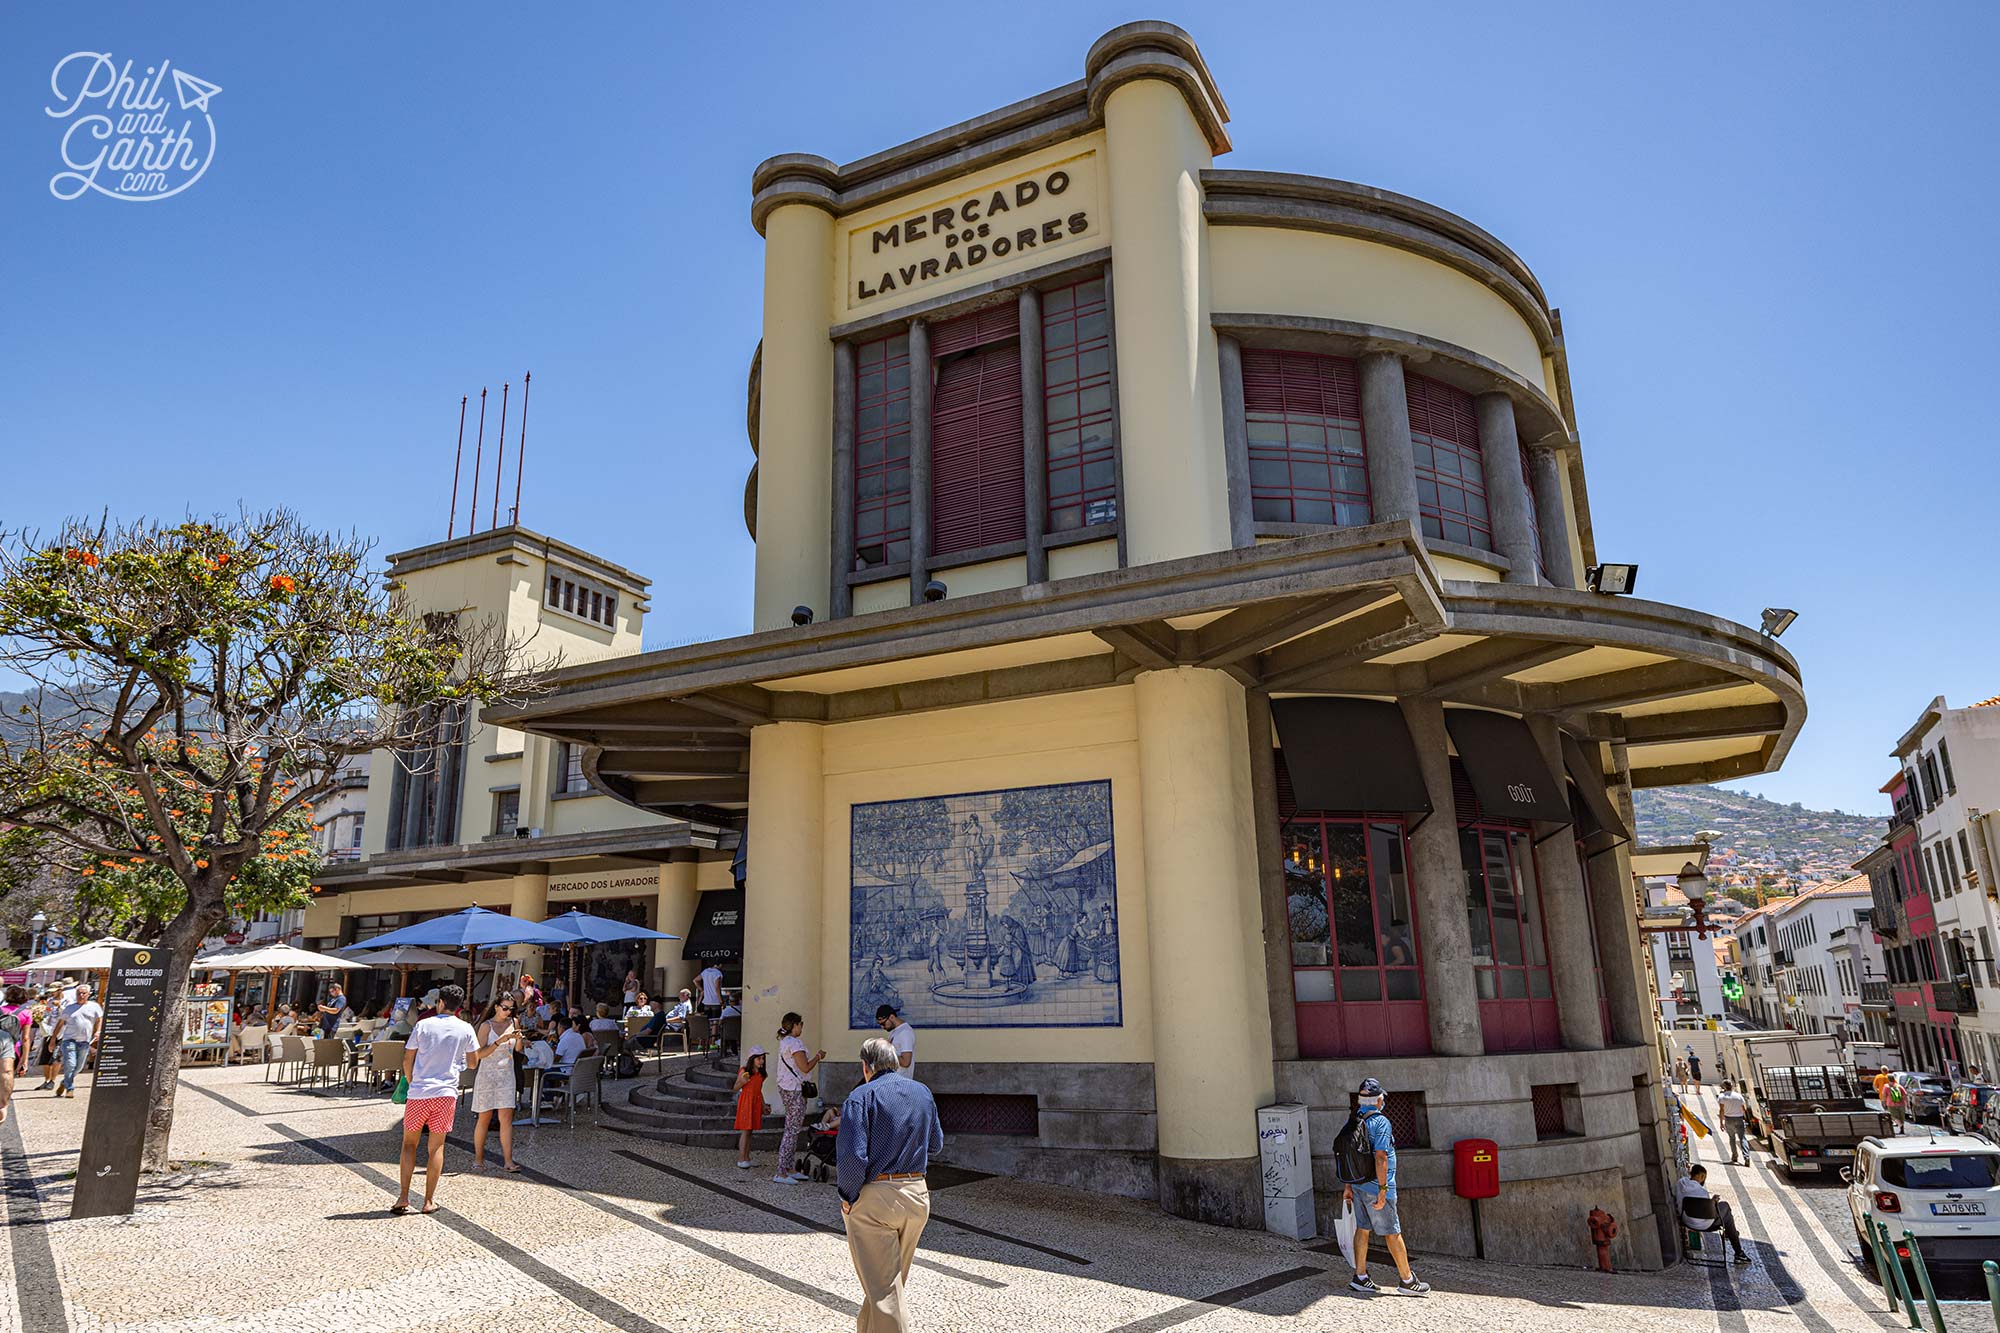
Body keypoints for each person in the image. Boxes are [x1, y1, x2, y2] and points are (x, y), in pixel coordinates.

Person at [838, 1035, 944, 1333]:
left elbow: (852, 1156)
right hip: (917, 1195)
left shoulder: (861, 1097)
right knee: (888, 1283)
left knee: (884, 1290)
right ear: (895, 1063)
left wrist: (848, 1195)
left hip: (877, 1199)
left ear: (866, 1066)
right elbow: (935, 1144)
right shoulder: (922, 1092)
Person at [393, 984, 480, 1215]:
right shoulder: (466, 1028)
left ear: (440, 1002)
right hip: (445, 1094)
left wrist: (413, 1083)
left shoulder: (423, 1025)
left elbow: (407, 1059)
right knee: (436, 1147)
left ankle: (403, 1196)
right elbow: (473, 1063)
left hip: (420, 1092)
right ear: (458, 1007)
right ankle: (429, 1201)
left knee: (409, 1144)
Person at [1344, 1078, 1429, 1296]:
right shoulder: (1381, 1122)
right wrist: (1382, 1190)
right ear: (1378, 1099)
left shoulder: (1354, 1119)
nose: (1383, 1100)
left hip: (1358, 1184)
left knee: (1362, 1229)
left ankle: (1360, 1277)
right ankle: (1407, 1280)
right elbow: (1381, 1157)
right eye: (1382, 1097)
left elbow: (1346, 1155)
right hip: (1376, 1187)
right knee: (1392, 1232)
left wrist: (1348, 1186)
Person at [469, 995, 525, 1173]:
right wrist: (499, 1041)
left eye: (511, 1008)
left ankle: (508, 1161)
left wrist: (520, 1038)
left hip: (507, 1075)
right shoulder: (486, 1026)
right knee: (484, 1118)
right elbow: (479, 1054)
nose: (508, 1012)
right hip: (487, 1075)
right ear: (496, 1007)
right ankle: (478, 1159)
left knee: (506, 1118)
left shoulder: (514, 1022)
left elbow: (517, 1049)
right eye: (505, 1008)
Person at [774, 1012, 827, 1185]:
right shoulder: (794, 1043)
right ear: (795, 1025)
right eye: (801, 1024)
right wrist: (818, 1057)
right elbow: (804, 1067)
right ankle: (781, 1172)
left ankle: (789, 1167)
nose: (802, 1027)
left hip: (786, 1087)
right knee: (791, 1130)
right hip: (794, 1089)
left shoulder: (784, 1042)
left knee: (793, 1128)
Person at [1676, 1165, 1751, 1263]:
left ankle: (1732, 1237)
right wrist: (1713, 1202)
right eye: (1704, 1178)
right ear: (1701, 1176)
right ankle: (1738, 1251)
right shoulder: (1702, 1191)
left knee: (1727, 1217)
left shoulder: (1681, 1183)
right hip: (1704, 1224)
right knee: (1726, 1209)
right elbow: (1707, 1213)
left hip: (1686, 1220)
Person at [54, 983, 103, 1099]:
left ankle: (64, 1082)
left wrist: (98, 1031)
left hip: (85, 1041)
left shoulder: (94, 1006)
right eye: (79, 993)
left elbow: (99, 1019)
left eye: (84, 993)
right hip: (69, 1040)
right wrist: (53, 1039)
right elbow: (60, 1023)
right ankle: (70, 1088)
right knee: (70, 1064)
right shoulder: (69, 1008)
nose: (81, 995)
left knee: (79, 1067)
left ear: (89, 994)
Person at [732, 1046, 768, 1170]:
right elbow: (735, 1088)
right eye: (759, 1058)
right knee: (745, 1130)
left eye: (762, 1058)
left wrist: (763, 1105)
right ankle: (741, 1158)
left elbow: (759, 1090)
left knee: (750, 1130)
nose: (761, 1061)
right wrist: (742, 1081)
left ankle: (747, 1157)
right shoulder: (744, 1071)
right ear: (752, 1059)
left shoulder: (761, 1074)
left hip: (756, 1101)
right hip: (746, 1101)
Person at [0, 985, 29, 1126]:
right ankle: (3, 1104)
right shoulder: (26, 1013)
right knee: (6, 1073)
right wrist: (24, 1060)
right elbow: (25, 1038)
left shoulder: (1, 1009)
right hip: (11, 1046)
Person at [875, 1004, 916, 1080]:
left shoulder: (905, 1032)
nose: (882, 1027)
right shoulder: (895, 1031)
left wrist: (886, 1054)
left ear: (892, 1017)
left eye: (883, 1023)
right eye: (880, 1024)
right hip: (892, 1080)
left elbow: (906, 1062)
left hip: (900, 1083)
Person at [1716, 1079, 1750, 1166]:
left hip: (1728, 1119)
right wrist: (1742, 1116)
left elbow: (1721, 1110)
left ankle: (1735, 1156)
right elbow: (1743, 1108)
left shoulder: (1722, 1096)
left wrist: (1721, 1122)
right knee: (1742, 1138)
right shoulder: (1738, 1096)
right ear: (1732, 1086)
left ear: (1724, 1087)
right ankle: (1746, 1157)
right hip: (1739, 1118)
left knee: (1732, 1138)